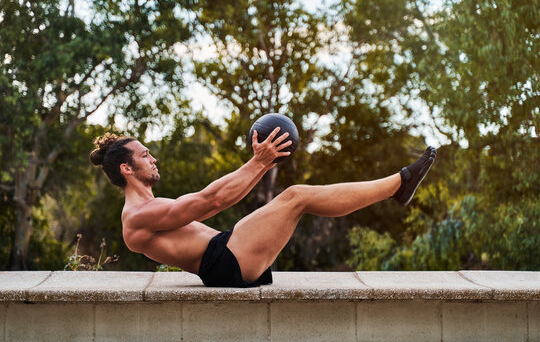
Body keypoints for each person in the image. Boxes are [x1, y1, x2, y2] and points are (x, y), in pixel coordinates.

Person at [89, 129, 436, 287]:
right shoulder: (137, 217)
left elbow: (214, 202)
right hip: (225, 261)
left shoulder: (151, 207)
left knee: (298, 198)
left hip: (229, 255)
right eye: (145, 155)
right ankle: (399, 185)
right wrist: (259, 163)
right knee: (297, 196)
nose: (153, 158)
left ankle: (398, 186)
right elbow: (213, 200)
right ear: (126, 169)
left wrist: (261, 164)